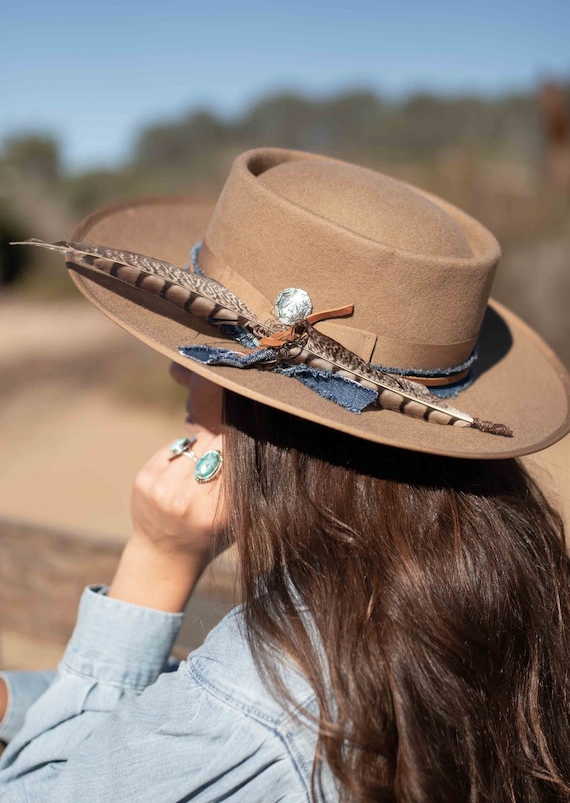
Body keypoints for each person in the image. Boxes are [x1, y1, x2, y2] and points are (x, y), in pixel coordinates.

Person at [1, 147, 570, 802]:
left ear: (276, 414)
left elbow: (39, 789)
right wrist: (17, 699)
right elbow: (185, 719)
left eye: (207, 358)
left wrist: (154, 565)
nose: (181, 371)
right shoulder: (500, 581)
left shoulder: (265, 695)